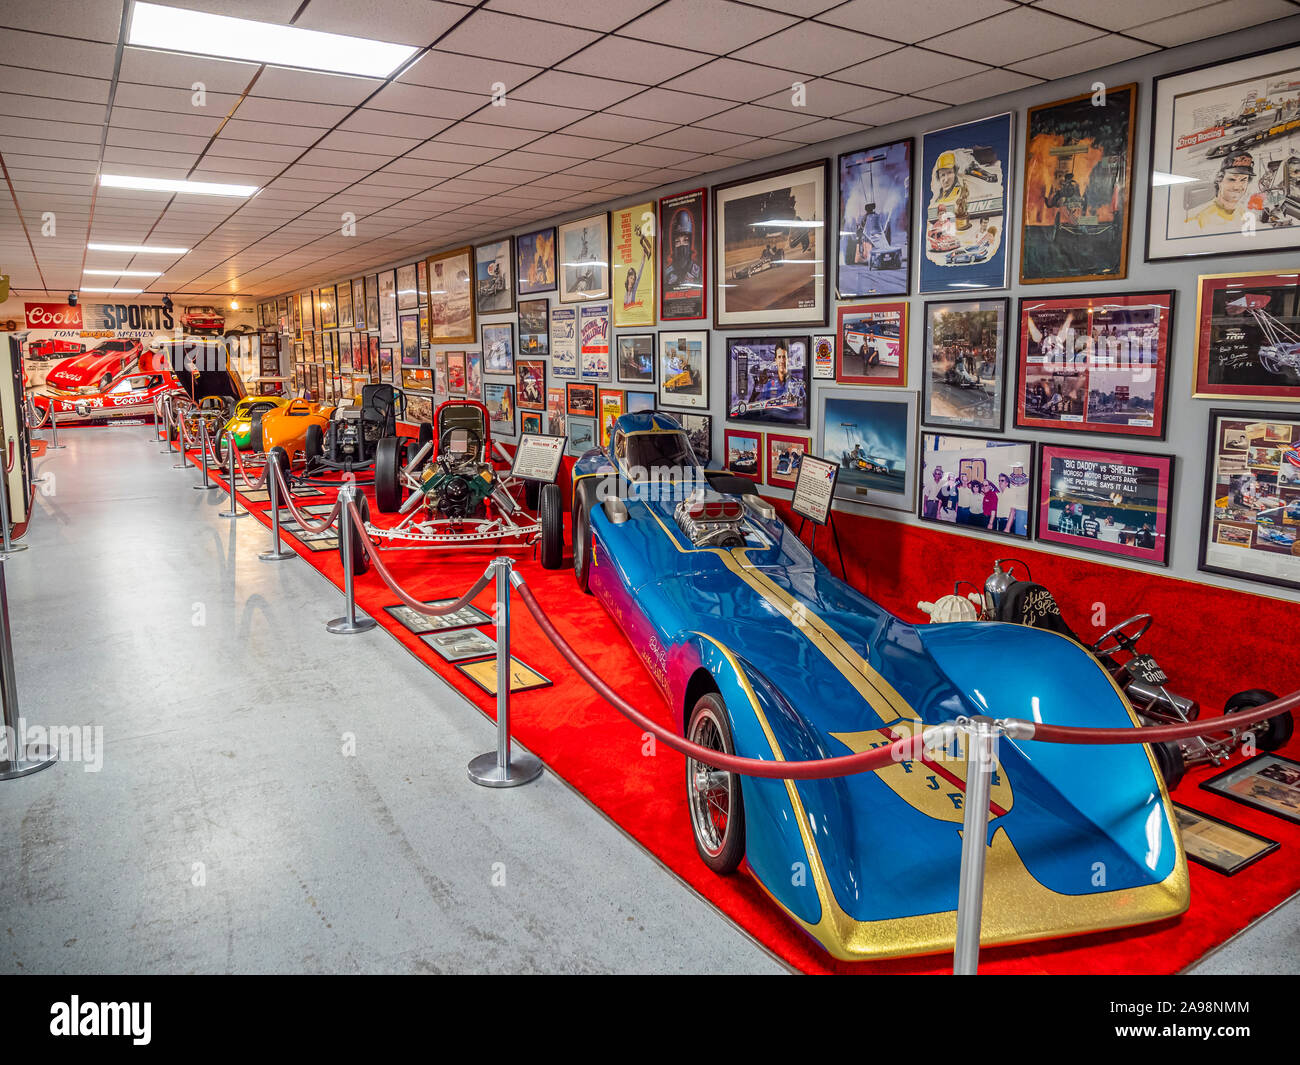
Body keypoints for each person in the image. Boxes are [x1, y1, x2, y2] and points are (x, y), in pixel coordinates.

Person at [1185, 152, 1256, 231]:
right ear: (1219, 180)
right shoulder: (1197, 218)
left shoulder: (1244, 214)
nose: (1237, 187)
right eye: (1231, 179)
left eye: (1243, 180)